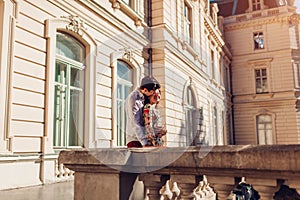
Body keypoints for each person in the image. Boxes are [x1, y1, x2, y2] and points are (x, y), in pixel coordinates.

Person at [125, 76, 160, 148]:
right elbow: (135, 122)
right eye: (152, 93)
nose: (153, 94)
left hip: (143, 139)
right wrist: (144, 143)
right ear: (145, 90)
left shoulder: (144, 97)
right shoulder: (134, 98)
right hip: (135, 140)